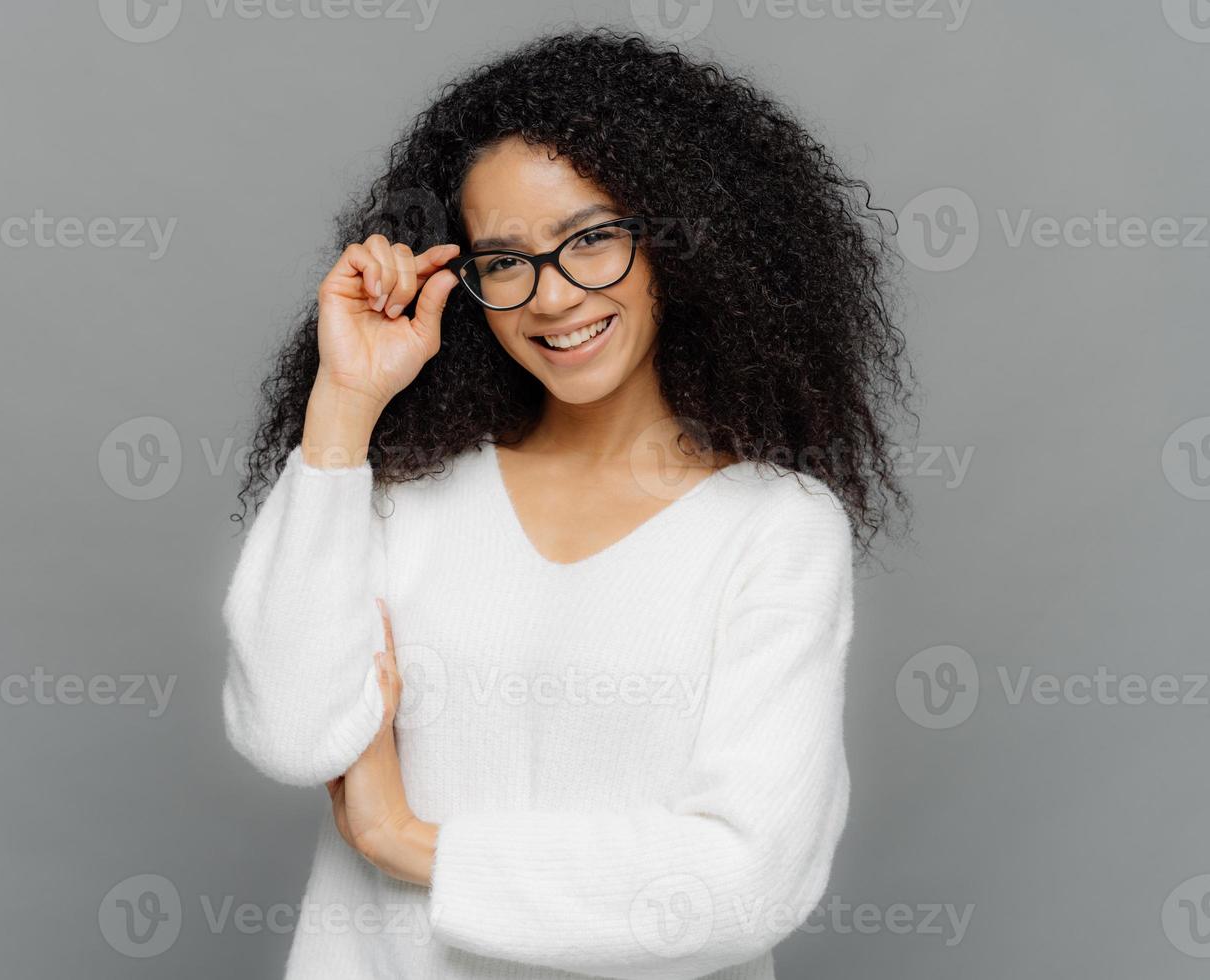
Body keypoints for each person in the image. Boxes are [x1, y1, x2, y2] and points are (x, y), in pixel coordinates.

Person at [223, 27, 916, 980]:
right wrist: (345, 405)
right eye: (503, 260)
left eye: (590, 238)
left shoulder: (774, 528)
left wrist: (405, 840)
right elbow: (291, 731)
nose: (551, 299)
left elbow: (746, 881)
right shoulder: (403, 497)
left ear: (683, 238)